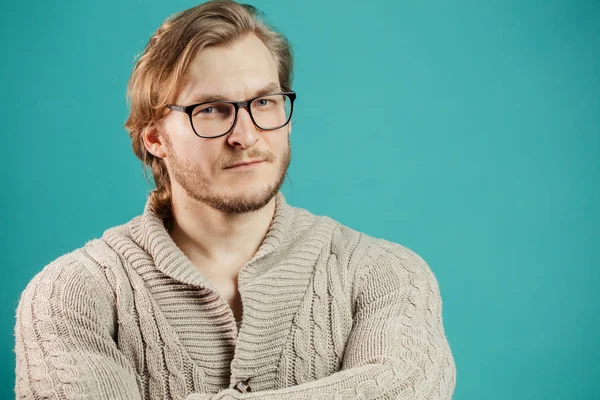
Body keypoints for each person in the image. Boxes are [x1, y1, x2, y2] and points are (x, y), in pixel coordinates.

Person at [14, 1, 456, 398]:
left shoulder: (386, 273)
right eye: (210, 109)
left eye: (264, 102)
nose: (245, 135)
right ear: (154, 138)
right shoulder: (70, 294)